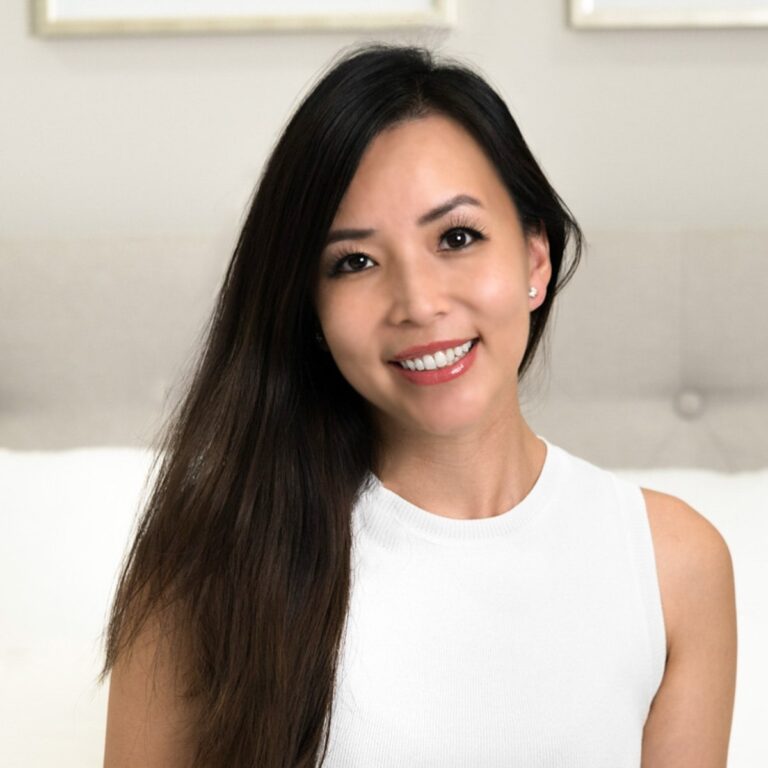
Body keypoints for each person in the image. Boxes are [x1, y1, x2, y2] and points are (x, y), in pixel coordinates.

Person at [100, 44, 736, 768]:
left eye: (457, 238)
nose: (418, 302)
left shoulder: (674, 564)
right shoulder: (206, 567)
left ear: (534, 260)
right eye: (355, 262)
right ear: (310, 309)